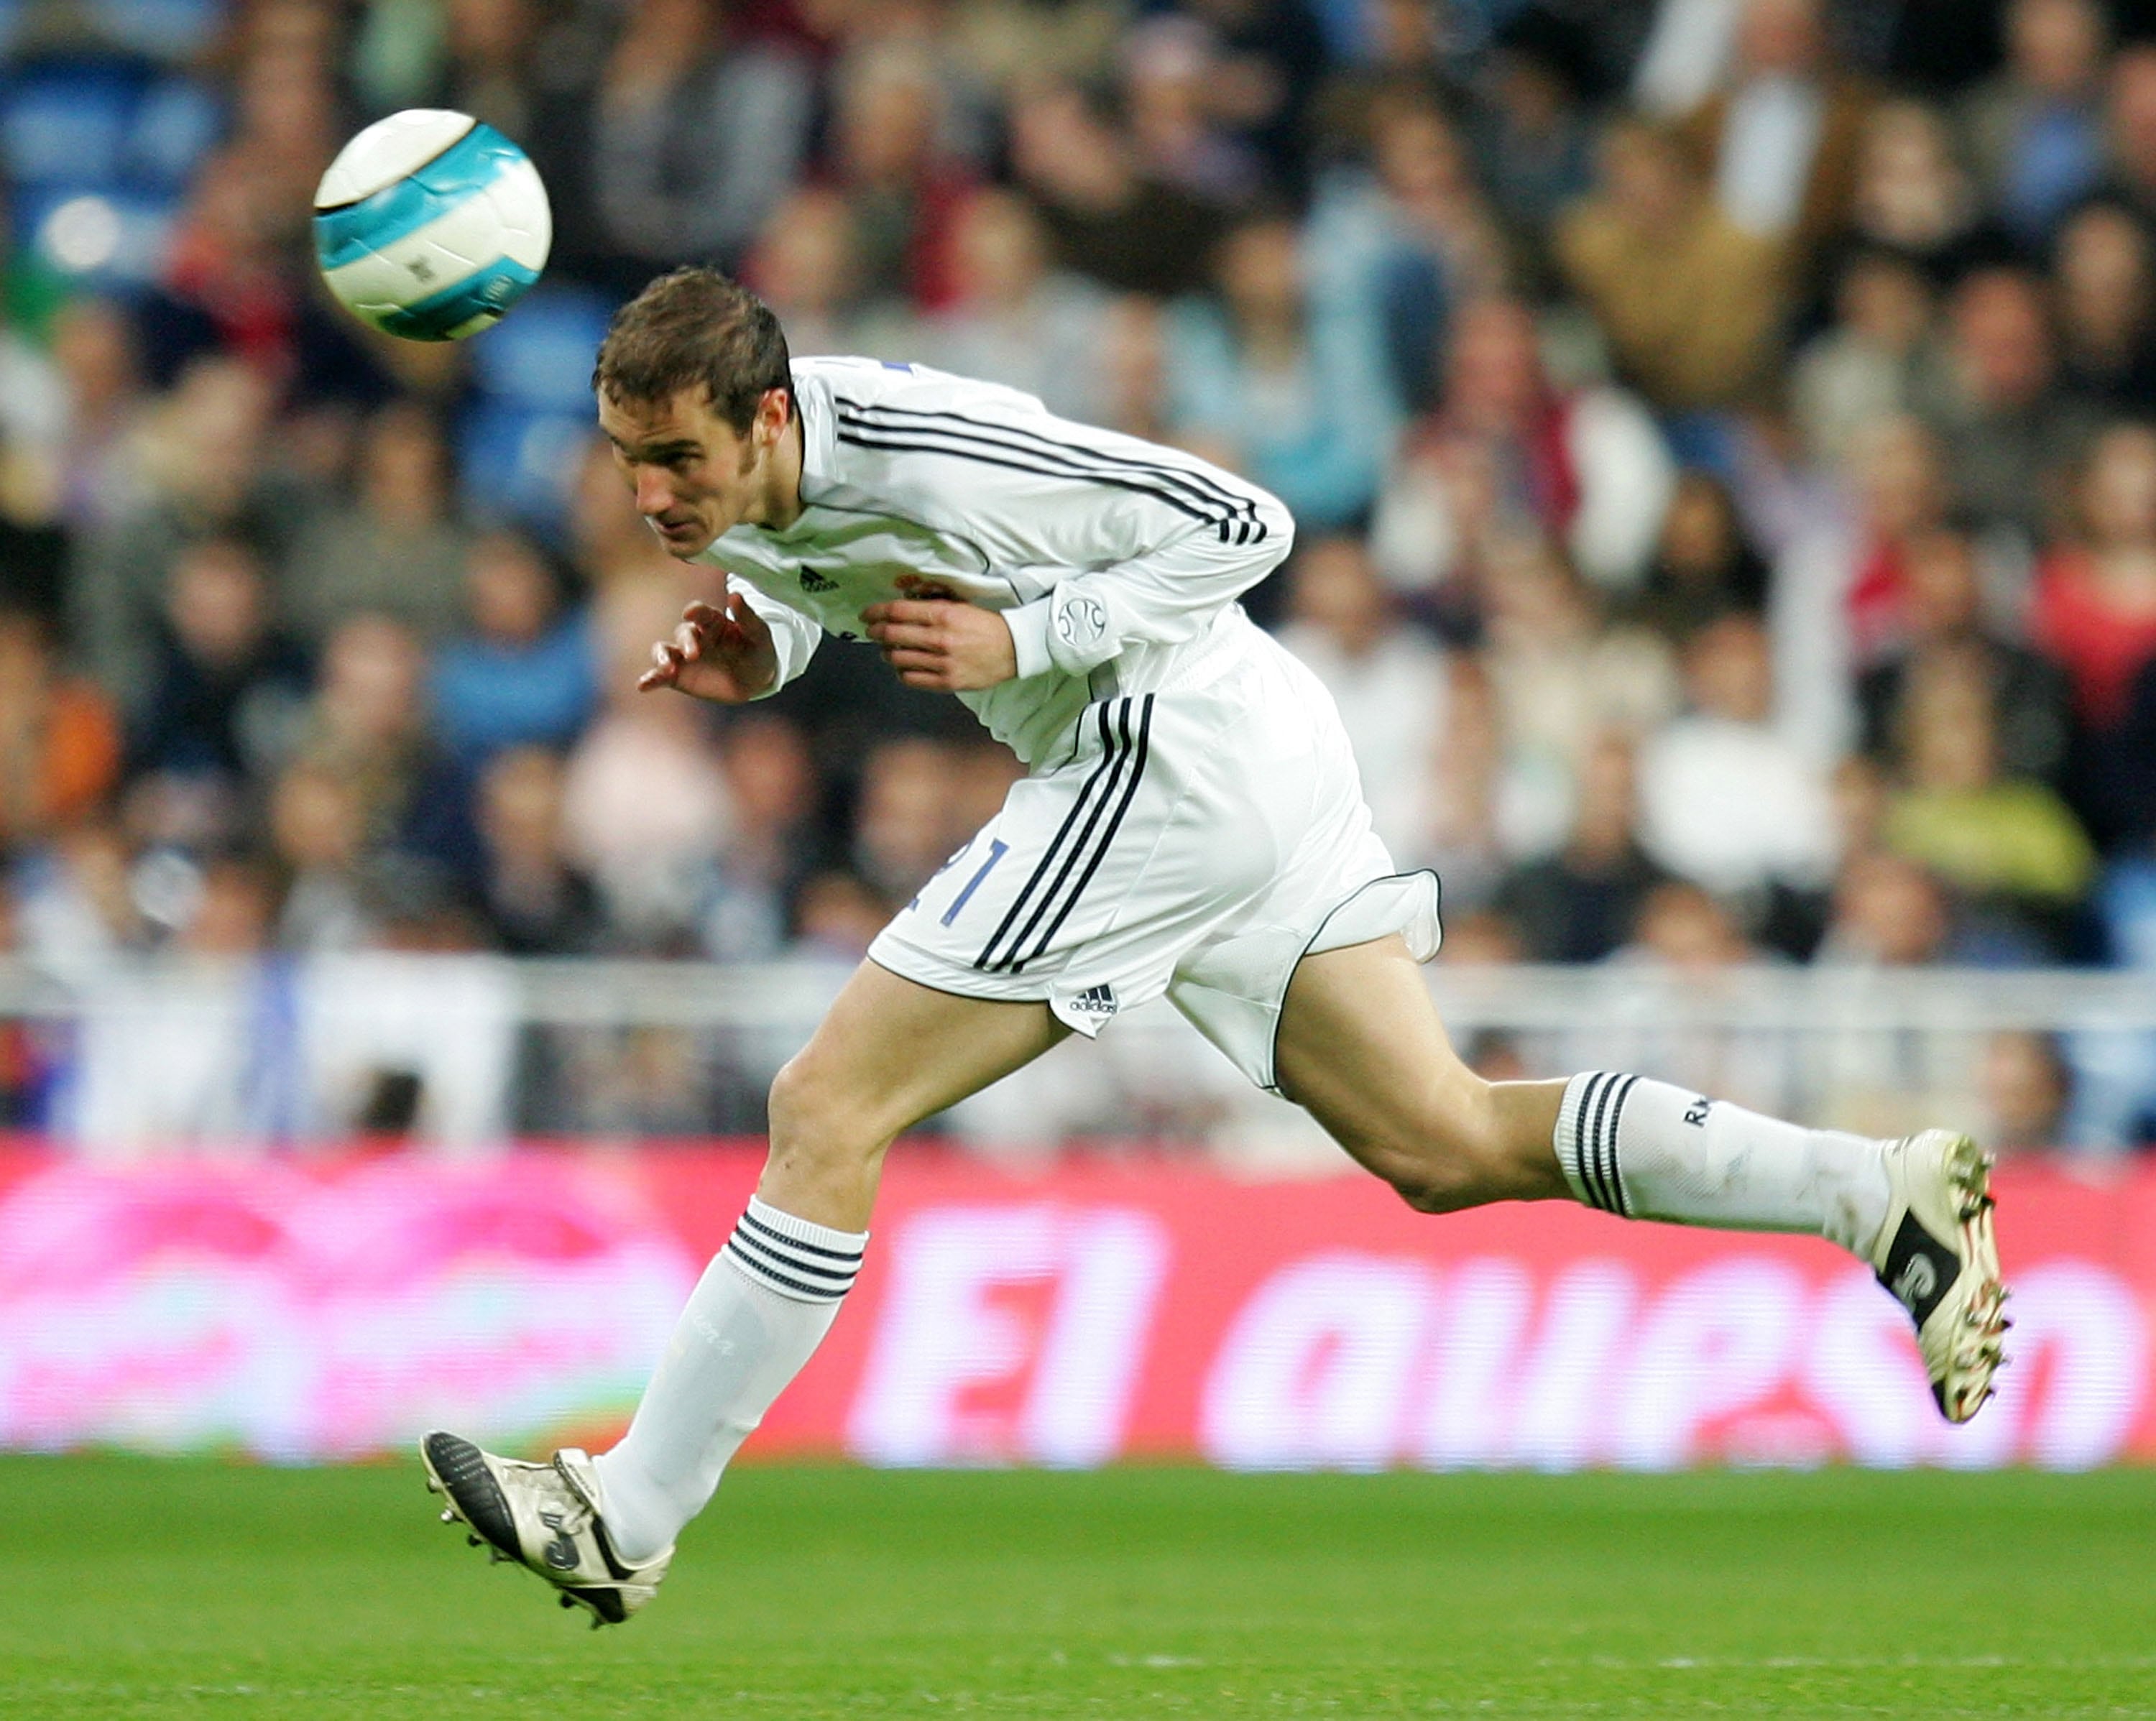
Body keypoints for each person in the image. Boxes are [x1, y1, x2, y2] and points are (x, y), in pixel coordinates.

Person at [420, 267, 2009, 1627]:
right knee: (1443, 1137)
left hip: (1159, 758)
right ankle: (1876, 1195)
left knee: (826, 1109)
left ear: (766, 416)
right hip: (1247, 757)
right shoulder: (753, 488)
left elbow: (1245, 519)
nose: (649, 498)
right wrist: (756, 647)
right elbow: (833, 582)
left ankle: (630, 1510)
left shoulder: (926, 446)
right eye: (630, 462)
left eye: (675, 458)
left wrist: (1029, 640)